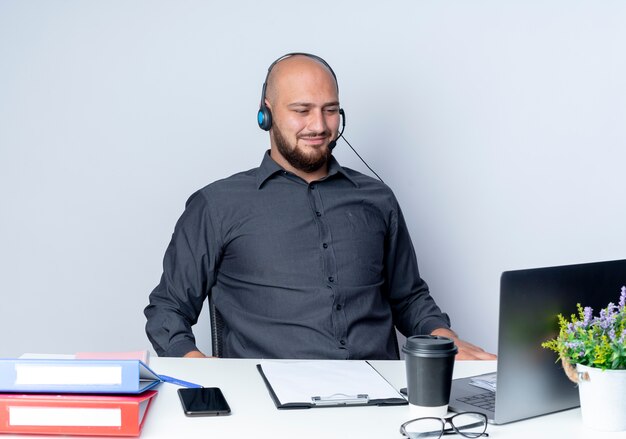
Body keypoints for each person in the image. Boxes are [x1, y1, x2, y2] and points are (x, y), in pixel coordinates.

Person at [144, 52, 495, 361]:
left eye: (330, 111)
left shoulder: (377, 198)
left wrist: (446, 339)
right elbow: (168, 310)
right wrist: (202, 370)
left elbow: (408, 298)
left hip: (382, 398)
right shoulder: (217, 205)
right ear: (265, 114)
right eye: (302, 111)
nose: (319, 126)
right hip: (267, 405)